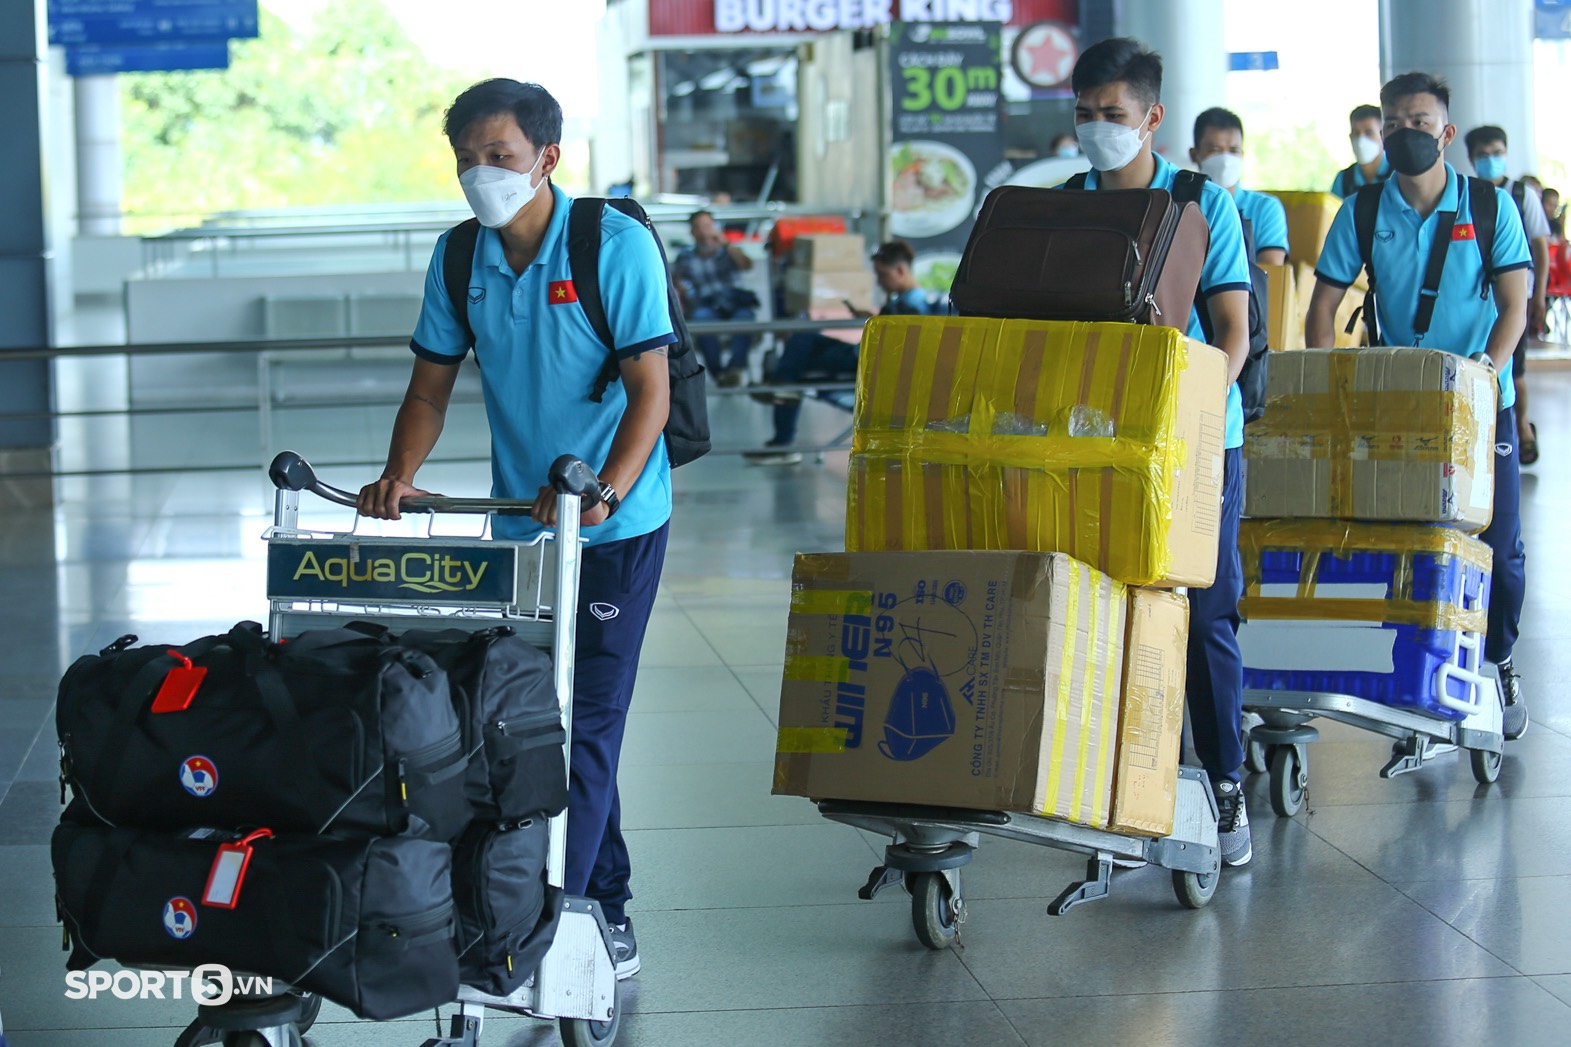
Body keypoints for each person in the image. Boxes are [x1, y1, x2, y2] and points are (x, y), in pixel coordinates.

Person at [357, 78, 674, 982]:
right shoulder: (462, 259)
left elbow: (649, 390)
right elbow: (430, 386)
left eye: (497, 155)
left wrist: (603, 492)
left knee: (591, 720)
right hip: (524, 529)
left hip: (615, 524)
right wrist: (399, 478)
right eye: (464, 158)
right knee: (536, 719)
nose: (478, 174)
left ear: (546, 157)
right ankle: (598, 895)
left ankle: (571, 917)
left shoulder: (610, 244)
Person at [1066, 37, 1255, 867]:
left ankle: (1223, 780)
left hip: (1197, 441)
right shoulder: (1068, 204)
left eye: (1112, 115)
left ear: (1152, 117)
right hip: (1102, 446)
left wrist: (1192, 407)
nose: (1097, 129)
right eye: (1083, 115)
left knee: (1204, 614)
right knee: (1104, 612)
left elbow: (1236, 333)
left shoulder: (1197, 204)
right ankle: (1114, 789)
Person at [1307, 72, 1531, 741]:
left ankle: (1498, 657)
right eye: (1393, 122)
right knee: (1408, 541)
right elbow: (1323, 305)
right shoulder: (1364, 209)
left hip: (1480, 403)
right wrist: (1332, 383)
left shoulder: (1487, 207)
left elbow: (1516, 304)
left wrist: (1486, 373)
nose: (1406, 132)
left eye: (1418, 121)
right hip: (1399, 403)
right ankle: (1420, 668)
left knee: (1501, 544)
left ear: (1445, 132)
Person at [745, 240, 937, 465]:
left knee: (798, 355)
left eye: (882, 275)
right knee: (803, 341)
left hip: (866, 360)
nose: (879, 282)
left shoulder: (912, 305)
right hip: (863, 353)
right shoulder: (905, 301)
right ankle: (782, 388)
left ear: (901, 271)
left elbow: (900, 343)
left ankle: (781, 396)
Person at [1465, 125, 1548, 464]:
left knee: (1515, 371)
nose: (1491, 161)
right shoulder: (1469, 197)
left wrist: (1538, 296)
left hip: (1518, 299)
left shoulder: (1521, 195)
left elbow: (1540, 247)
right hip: (1481, 300)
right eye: (1483, 156)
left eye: (1497, 153)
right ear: (1471, 159)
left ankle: (1522, 429)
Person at [1189, 106, 1290, 265]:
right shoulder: (1183, 206)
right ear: (1194, 155)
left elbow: (1272, 273)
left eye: (1234, 150)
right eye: (1214, 150)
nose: (1225, 159)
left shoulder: (1265, 208)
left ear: (1243, 153)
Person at [673, 209, 757, 387]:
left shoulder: (729, 252)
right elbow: (677, 282)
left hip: (734, 301)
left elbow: (746, 265)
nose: (703, 231)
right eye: (698, 227)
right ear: (692, 231)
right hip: (706, 304)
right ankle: (718, 373)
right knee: (702, 320)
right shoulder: (686, 257)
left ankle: (736, 367)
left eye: (707, 225)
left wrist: (726, 244)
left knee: (745, 319)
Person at [1331, 104, 1393, 198]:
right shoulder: (1344, 180)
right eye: (1356, 133)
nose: (1361, 141)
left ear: (1383, 135)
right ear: (1350, 137)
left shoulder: (1398, 173)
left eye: (1369, 133)